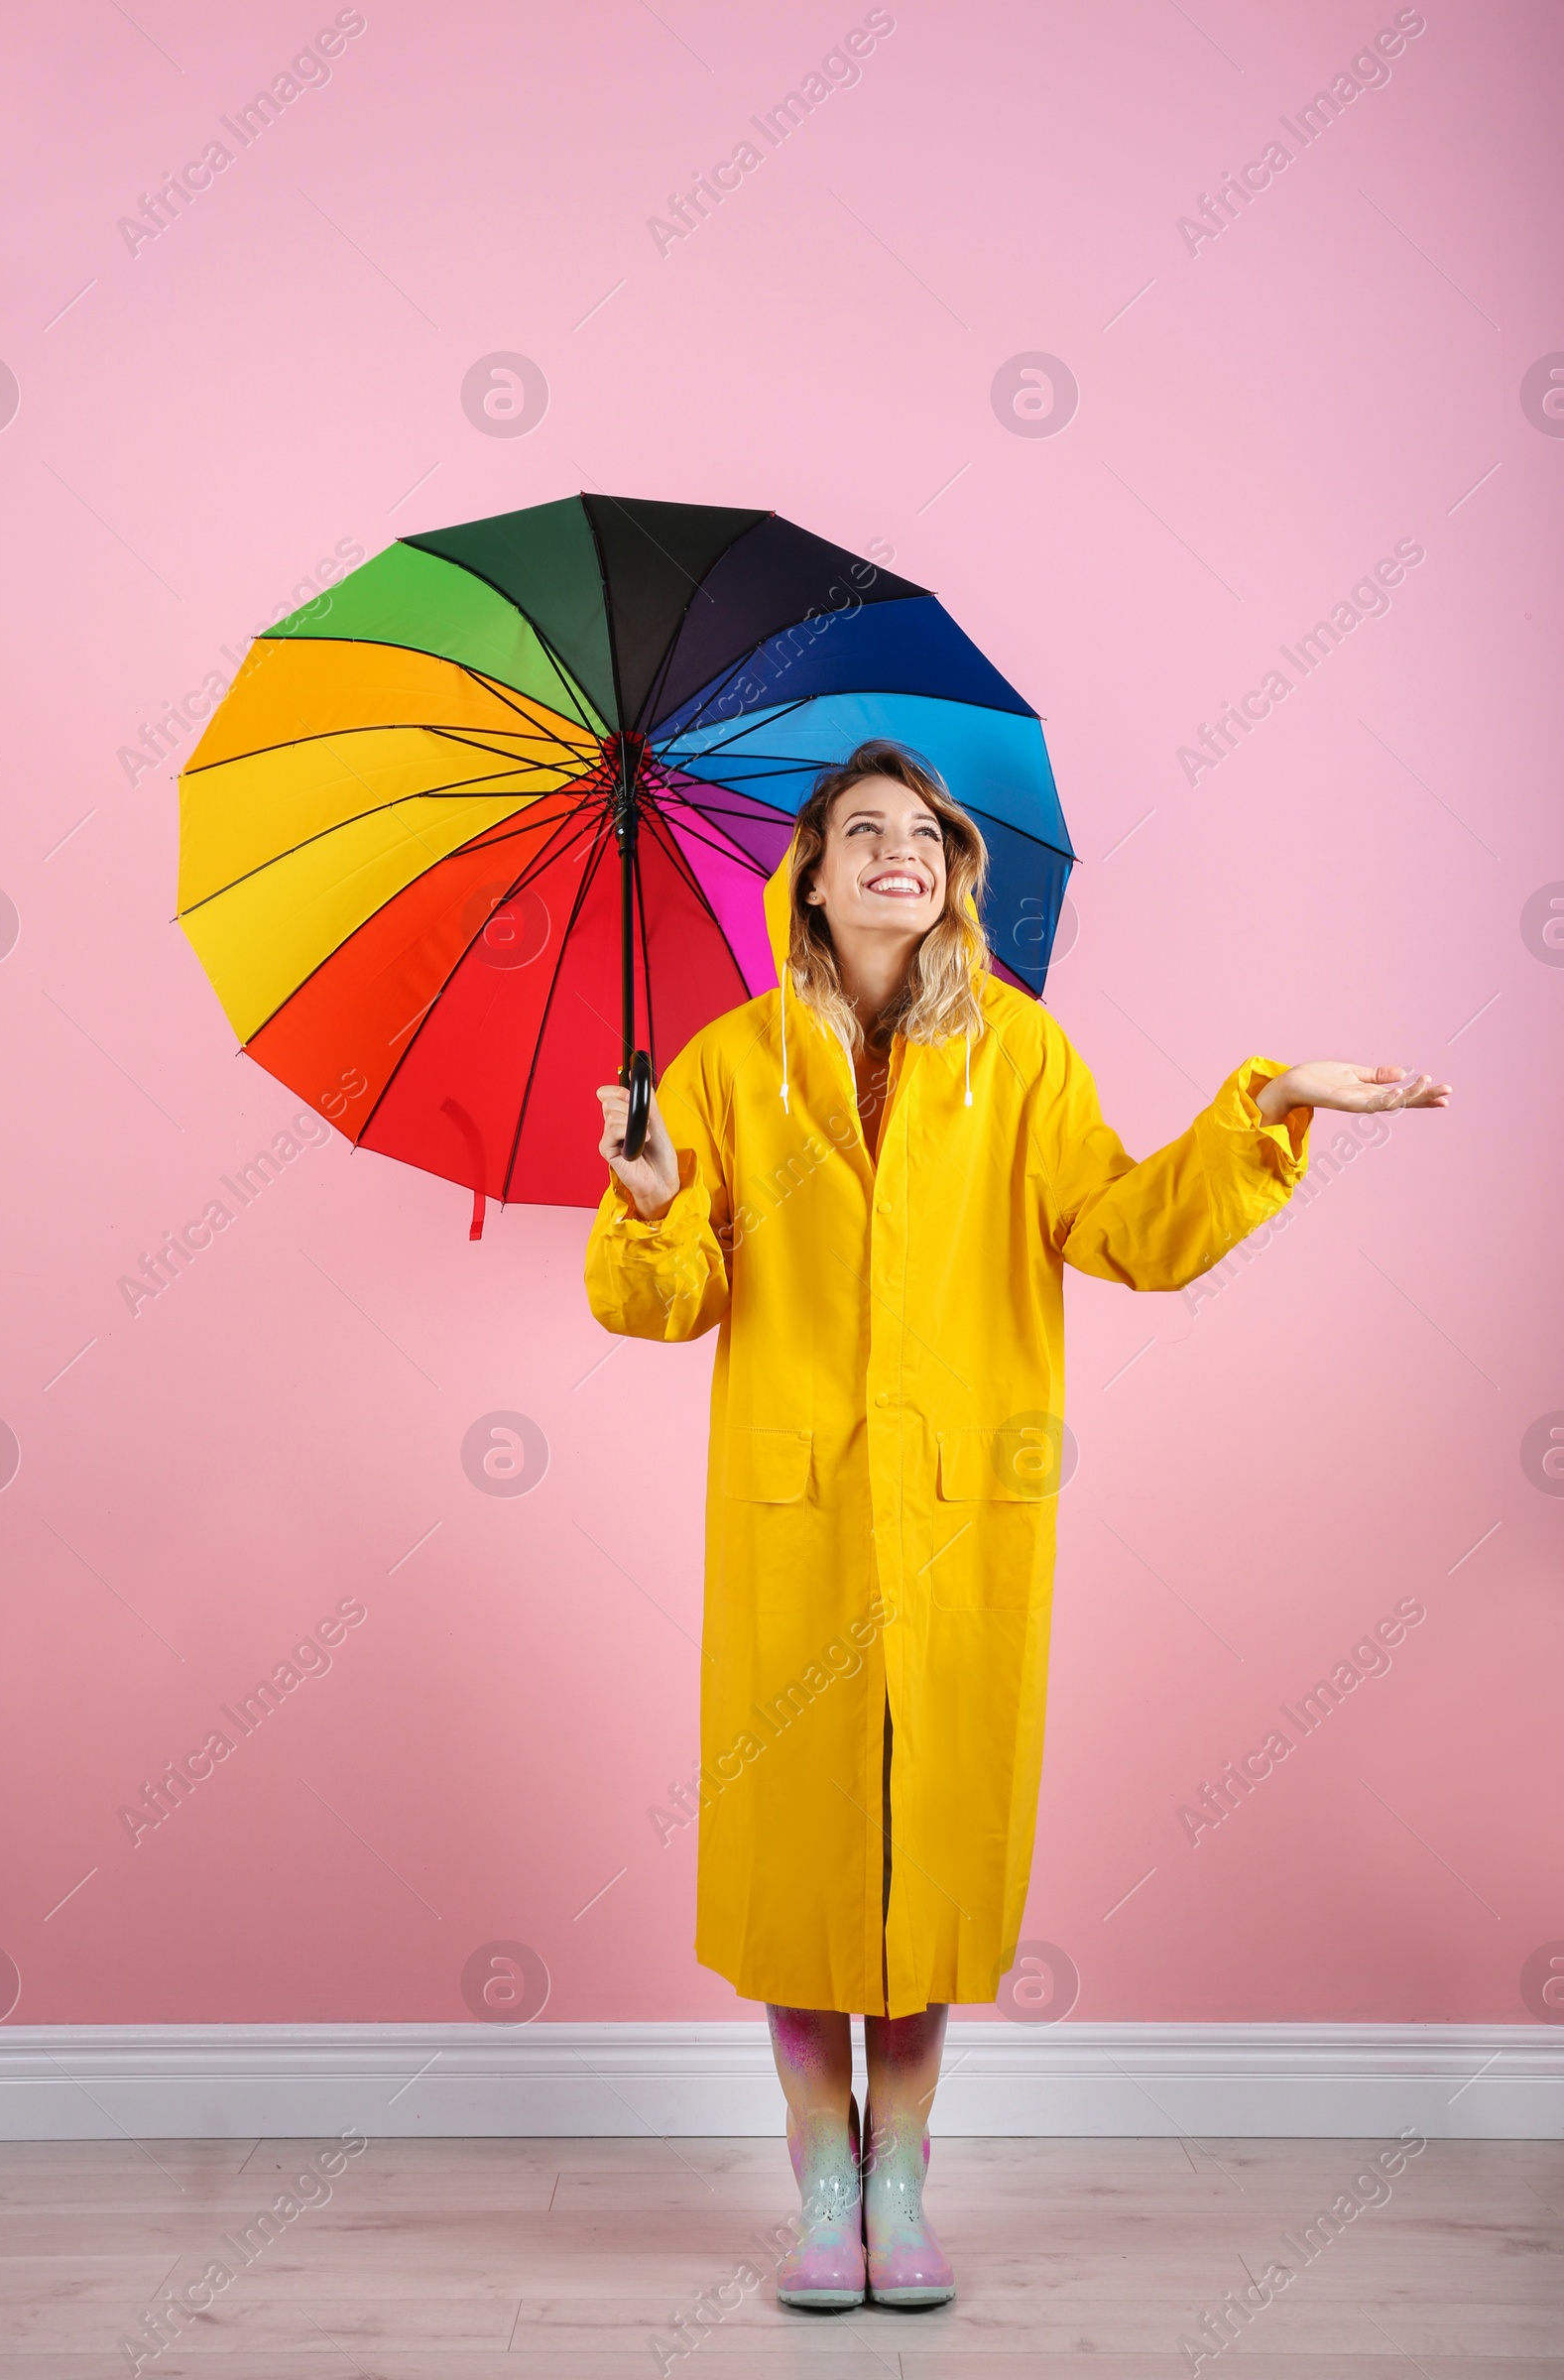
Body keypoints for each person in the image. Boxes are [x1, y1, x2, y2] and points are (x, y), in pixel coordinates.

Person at [585, 739, 1450, 2313]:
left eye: (925, 835)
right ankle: (821, 2181)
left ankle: (904, 2177)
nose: (901, 854)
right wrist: (649, 1196)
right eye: (867, 833)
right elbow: (667, 1306)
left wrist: (1268, 1109)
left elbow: (1127, 1230)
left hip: (965, 1516)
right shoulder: (720, 1065)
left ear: (952, 871)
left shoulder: (1020, 1056)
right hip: (795, 1518)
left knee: (930, 1863)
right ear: (814, 870)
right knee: (801, 1860)